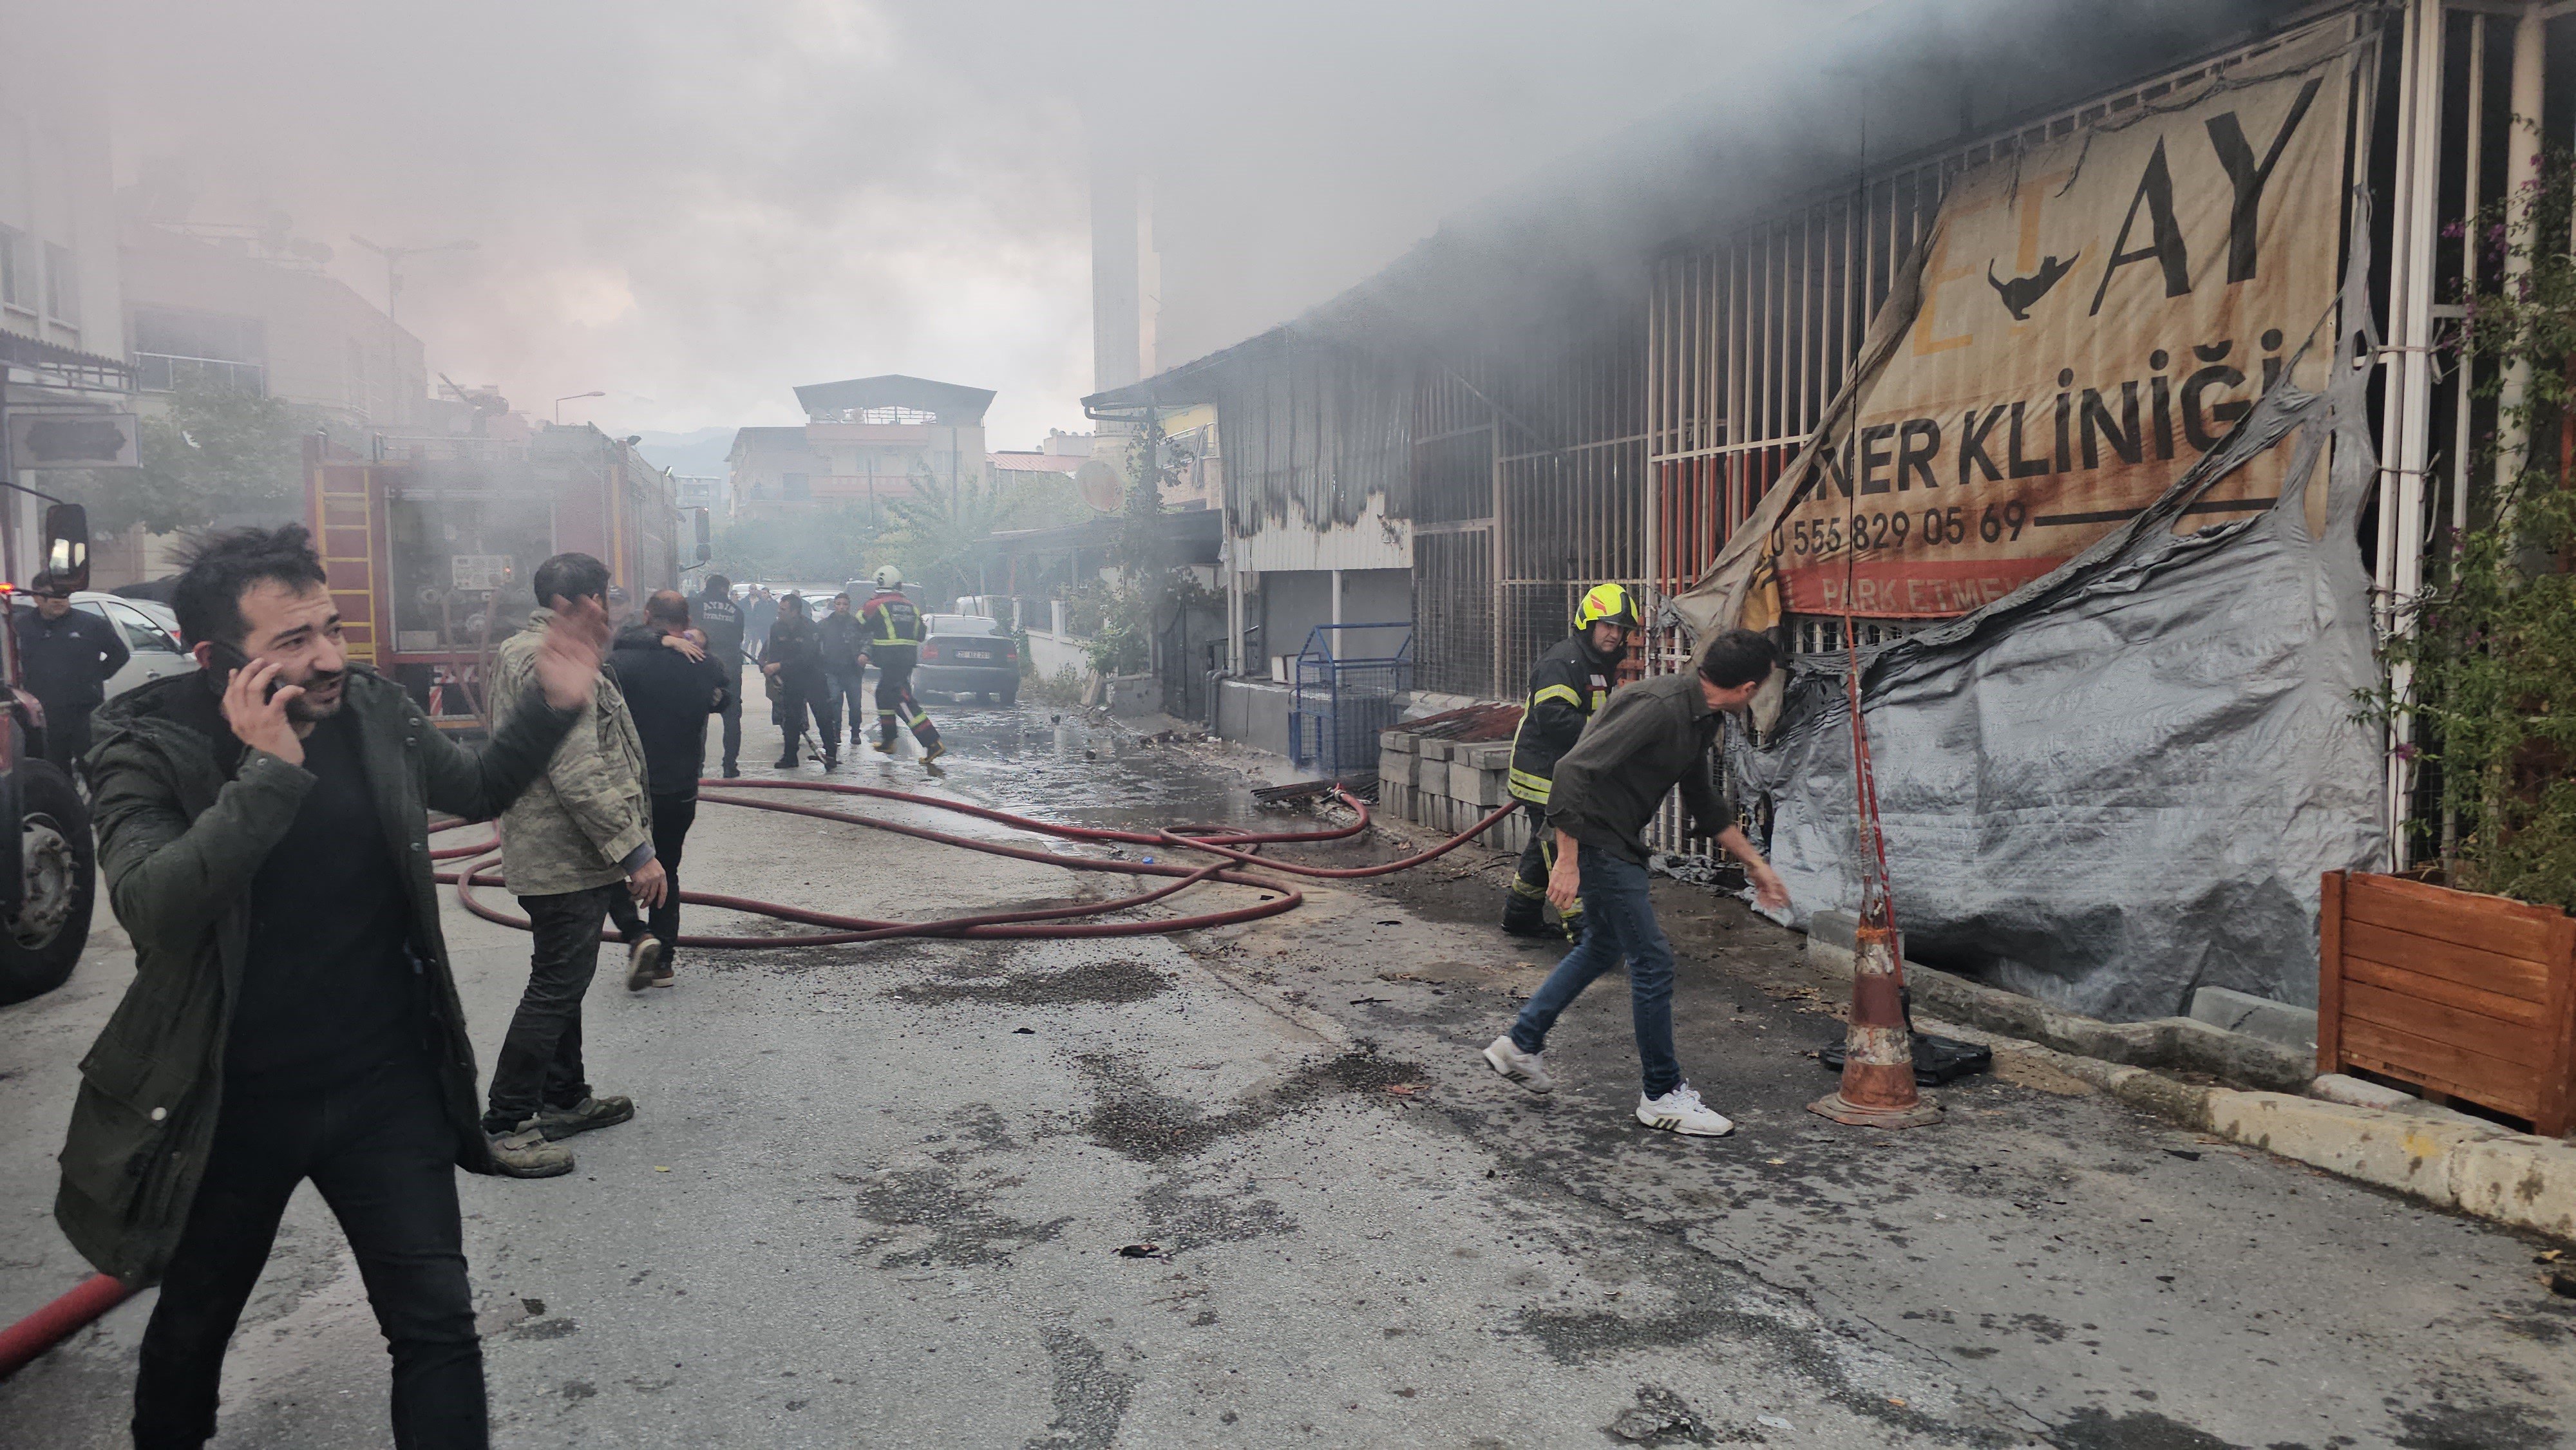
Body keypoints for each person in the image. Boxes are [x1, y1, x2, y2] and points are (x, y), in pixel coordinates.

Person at [63, 523, 606, 1449]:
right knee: (193, 1329)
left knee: (437, 1327)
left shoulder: (372, 708)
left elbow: (477, 788)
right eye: (293, 640)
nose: (327, 658)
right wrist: (269, 772)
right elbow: (153, 906)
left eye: (332, 627)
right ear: (216, 658)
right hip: (226, 1099)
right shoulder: (149, 743)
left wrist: (552, 704)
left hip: (383, 1086)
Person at [1480, 628, 1792, 1139]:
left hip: (1614, 839)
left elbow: (1705, 803)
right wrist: (1566, 860)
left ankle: (1520, 1044)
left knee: (1602, 946)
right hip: (1596, 839)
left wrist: (1756, 865)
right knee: (1653, 960)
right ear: (1748, 688)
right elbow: (1571, 771)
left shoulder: (1701, 716)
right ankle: (1661, 1094)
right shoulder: (1660, 706)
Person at [482, 552, 663, 1155]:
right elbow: (578, 771)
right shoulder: (549, 659)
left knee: (563, 981)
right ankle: (507, 1119)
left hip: (564, 854)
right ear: (573, 604)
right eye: (602, 597)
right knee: (556, 987)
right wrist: (635, 851)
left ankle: (564, 1099)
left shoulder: (532, 651)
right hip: (563, 857)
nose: (609, 609)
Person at [1501, 582, 1637, 941]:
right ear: (1587, 623)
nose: (1614, 634)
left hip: (1563, 776)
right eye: (1607, 625)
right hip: (1544, 777)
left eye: (1621, 628)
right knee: (1567, 854)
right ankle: (1588, 936)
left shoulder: (1597, 663)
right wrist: (1606, 733)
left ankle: (1520, 917)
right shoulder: (1563, 661)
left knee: (1543, 848)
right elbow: (1552, 718)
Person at [605, 590, 727, 990]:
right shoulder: (705, 664)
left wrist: (656, 640)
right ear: (686, 621)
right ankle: (662, 963)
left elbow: (618, 644)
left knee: (608, 866)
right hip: (680, 788)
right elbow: (723, 696)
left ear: (646, 615)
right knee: (667, 868)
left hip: (629, 787)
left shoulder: (621, 662)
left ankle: (637, 934)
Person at [14, 574, 130, 780]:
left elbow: (120, 654)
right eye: (51, 595)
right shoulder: (21, 627)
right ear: (36, 597)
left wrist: (93, 678)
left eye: (64, 595)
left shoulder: (91, 624)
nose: (59, 601)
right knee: (54, 773)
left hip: (84, 711)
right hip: (45, 714)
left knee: (93, 767)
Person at [857, 564, 943, 761]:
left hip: (890, 659)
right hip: (905, 660)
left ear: (881, 582)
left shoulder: (878, 605)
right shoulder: (912, 607)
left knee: (901, 700)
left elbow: (861, 624)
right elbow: (920, 635)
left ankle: (932, 742)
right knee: (883, 694)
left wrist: (867, 606)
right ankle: (889, 741)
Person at [761, 591, 829, 768]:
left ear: (795, 612)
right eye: (779, 608)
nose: (779, 612)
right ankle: (790, 757)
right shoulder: (776, 628)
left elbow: (806, 659)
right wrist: (772, 672)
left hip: (814, 677)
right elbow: (773, 654)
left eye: (783, 609)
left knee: (822, 716)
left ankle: (831, 754)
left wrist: (778, 666)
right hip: (792, 680)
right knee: (790, 719)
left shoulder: (810, 628)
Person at [696, 573, 746, 777]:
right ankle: (730, 766)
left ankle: (697, 767)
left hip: (701, 666)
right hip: (730, 668)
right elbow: (739, 638)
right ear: (726, 589)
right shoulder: (737, 611)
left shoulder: (696, 605)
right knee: (732, 717)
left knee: (699, 718)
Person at [817, 590, 868, 754]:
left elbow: (867, 640)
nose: (842, 607)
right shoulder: (825, 624)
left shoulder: (856, 624)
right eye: (839, 604)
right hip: (832, 670)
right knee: (834, 702)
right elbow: (815, 643)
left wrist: (864, 654)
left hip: (853, 670)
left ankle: (855, 732)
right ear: (834, 605)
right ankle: (835, 733)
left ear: (849, 606)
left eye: (845, 604)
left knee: (855, 704)